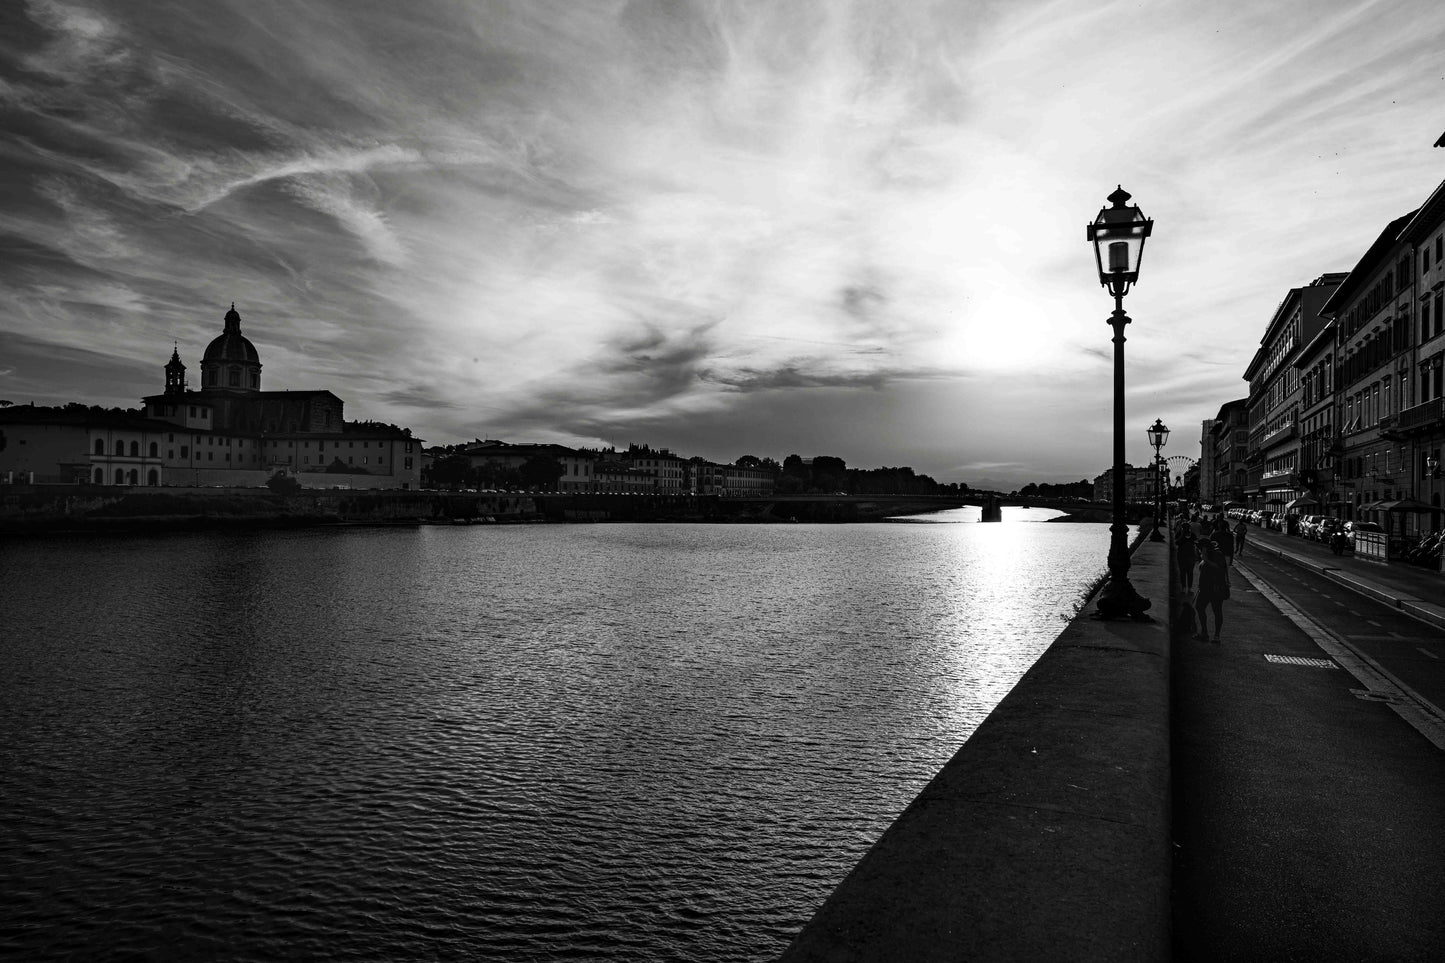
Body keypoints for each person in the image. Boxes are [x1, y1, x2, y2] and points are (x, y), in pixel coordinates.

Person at [1194, 539, 1229, 643]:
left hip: (1214, 588)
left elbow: (1219, 569)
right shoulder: (1208, 555)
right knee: (1201, 607)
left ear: (1204, 548)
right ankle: (1205, 633)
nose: (1198, 550)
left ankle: (1215, 635)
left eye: (1200, 548)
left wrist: (1206, 560)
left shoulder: (1216, 555)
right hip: (1205, 587)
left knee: (1216, 610)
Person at [1177, 527, 1197, 591]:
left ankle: (1184, 587)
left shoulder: (1181, 537)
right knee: (1190, 573)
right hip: (1190, 557)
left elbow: (1177, 542)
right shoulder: (1192, 536)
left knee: (1183, 572)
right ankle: (1189, 587)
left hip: (1183, 557)